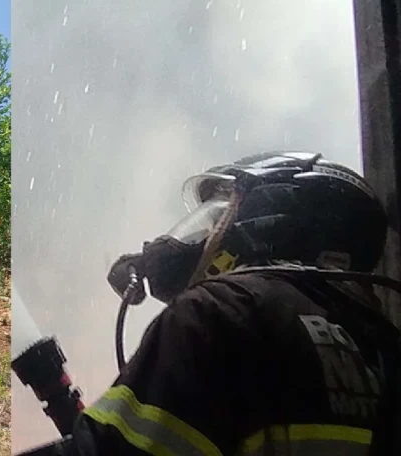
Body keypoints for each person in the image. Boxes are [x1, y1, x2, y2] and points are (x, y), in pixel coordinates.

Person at [56, 152, 401, 455]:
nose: (204, 238)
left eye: (219, 217)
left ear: (268, 224)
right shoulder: (385, 346)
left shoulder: (219, 312)